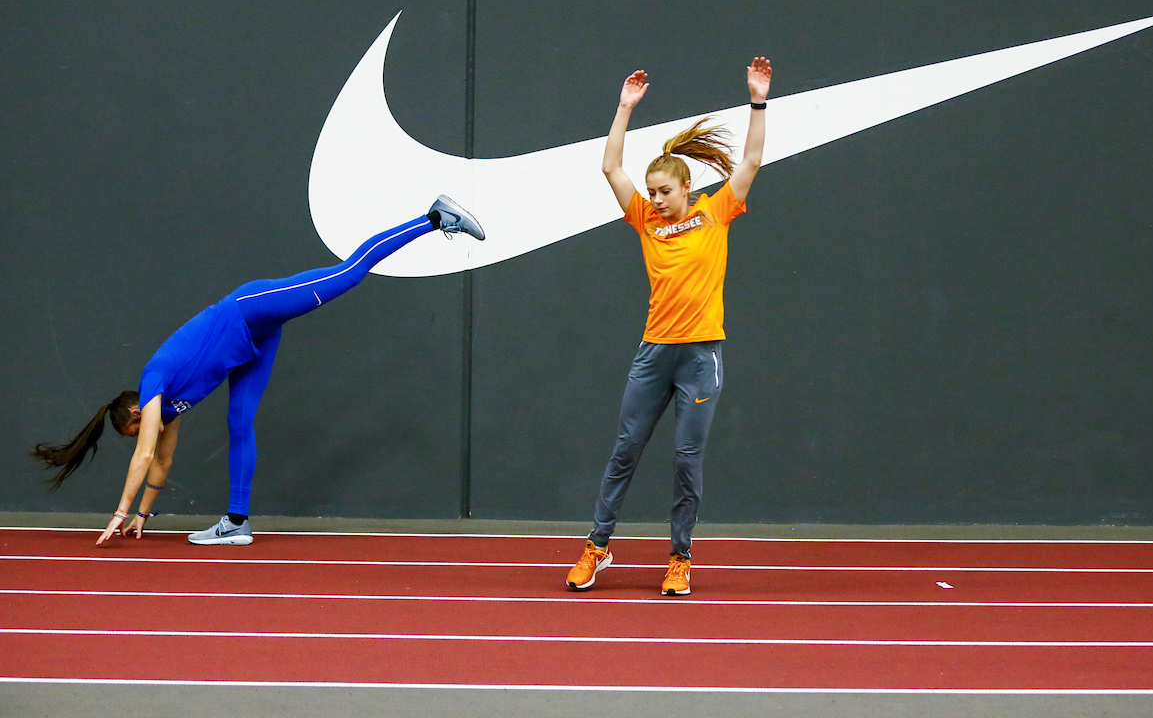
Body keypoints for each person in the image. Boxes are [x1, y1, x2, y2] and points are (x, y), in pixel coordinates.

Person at [31, 196, 485, 547]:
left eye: (136, 430)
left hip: (248, 311)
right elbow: (164, 461)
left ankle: (432, 219)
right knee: (239, 422)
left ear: (135, 413)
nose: (146, 431)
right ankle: (236, 522)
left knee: (348, 274)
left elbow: (145, 456)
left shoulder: (154, 385)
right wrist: (142, 518)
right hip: (252, 345)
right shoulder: (171, 406)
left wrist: (118, 511)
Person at [566, 58, 771, 596]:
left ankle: (680, 558)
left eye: (662, 191)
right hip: (654, 353)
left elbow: (751, 158)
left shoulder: (717, 211)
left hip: (699, 356)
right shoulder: (644, 221)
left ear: (684, 188)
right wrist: (624, 109)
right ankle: (597, 547)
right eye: (650, 192)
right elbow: (611, 168)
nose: (654, 200)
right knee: (625, 450)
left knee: (685, 460)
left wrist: (757, 101)